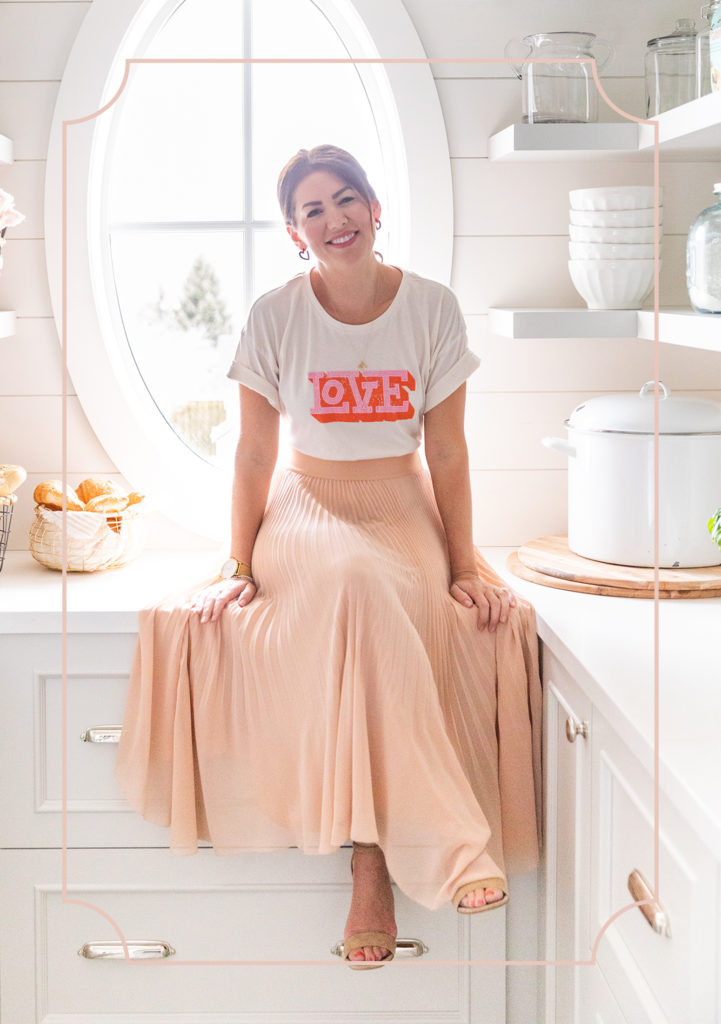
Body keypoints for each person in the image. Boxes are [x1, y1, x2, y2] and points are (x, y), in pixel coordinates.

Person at [115, 144, 541, 970]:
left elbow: (447, 454)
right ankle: (441, 848)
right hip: (306, 510)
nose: (333, 219)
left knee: (397, 595)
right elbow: (251, 455)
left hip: (400, 506)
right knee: (350, 580)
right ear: (293, 233)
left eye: (346, 200)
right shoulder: (275, 315)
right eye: (312, 210)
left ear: (376, 210)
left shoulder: (431, 308)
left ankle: (373, 859)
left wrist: (461, 567)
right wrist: (238, 567)